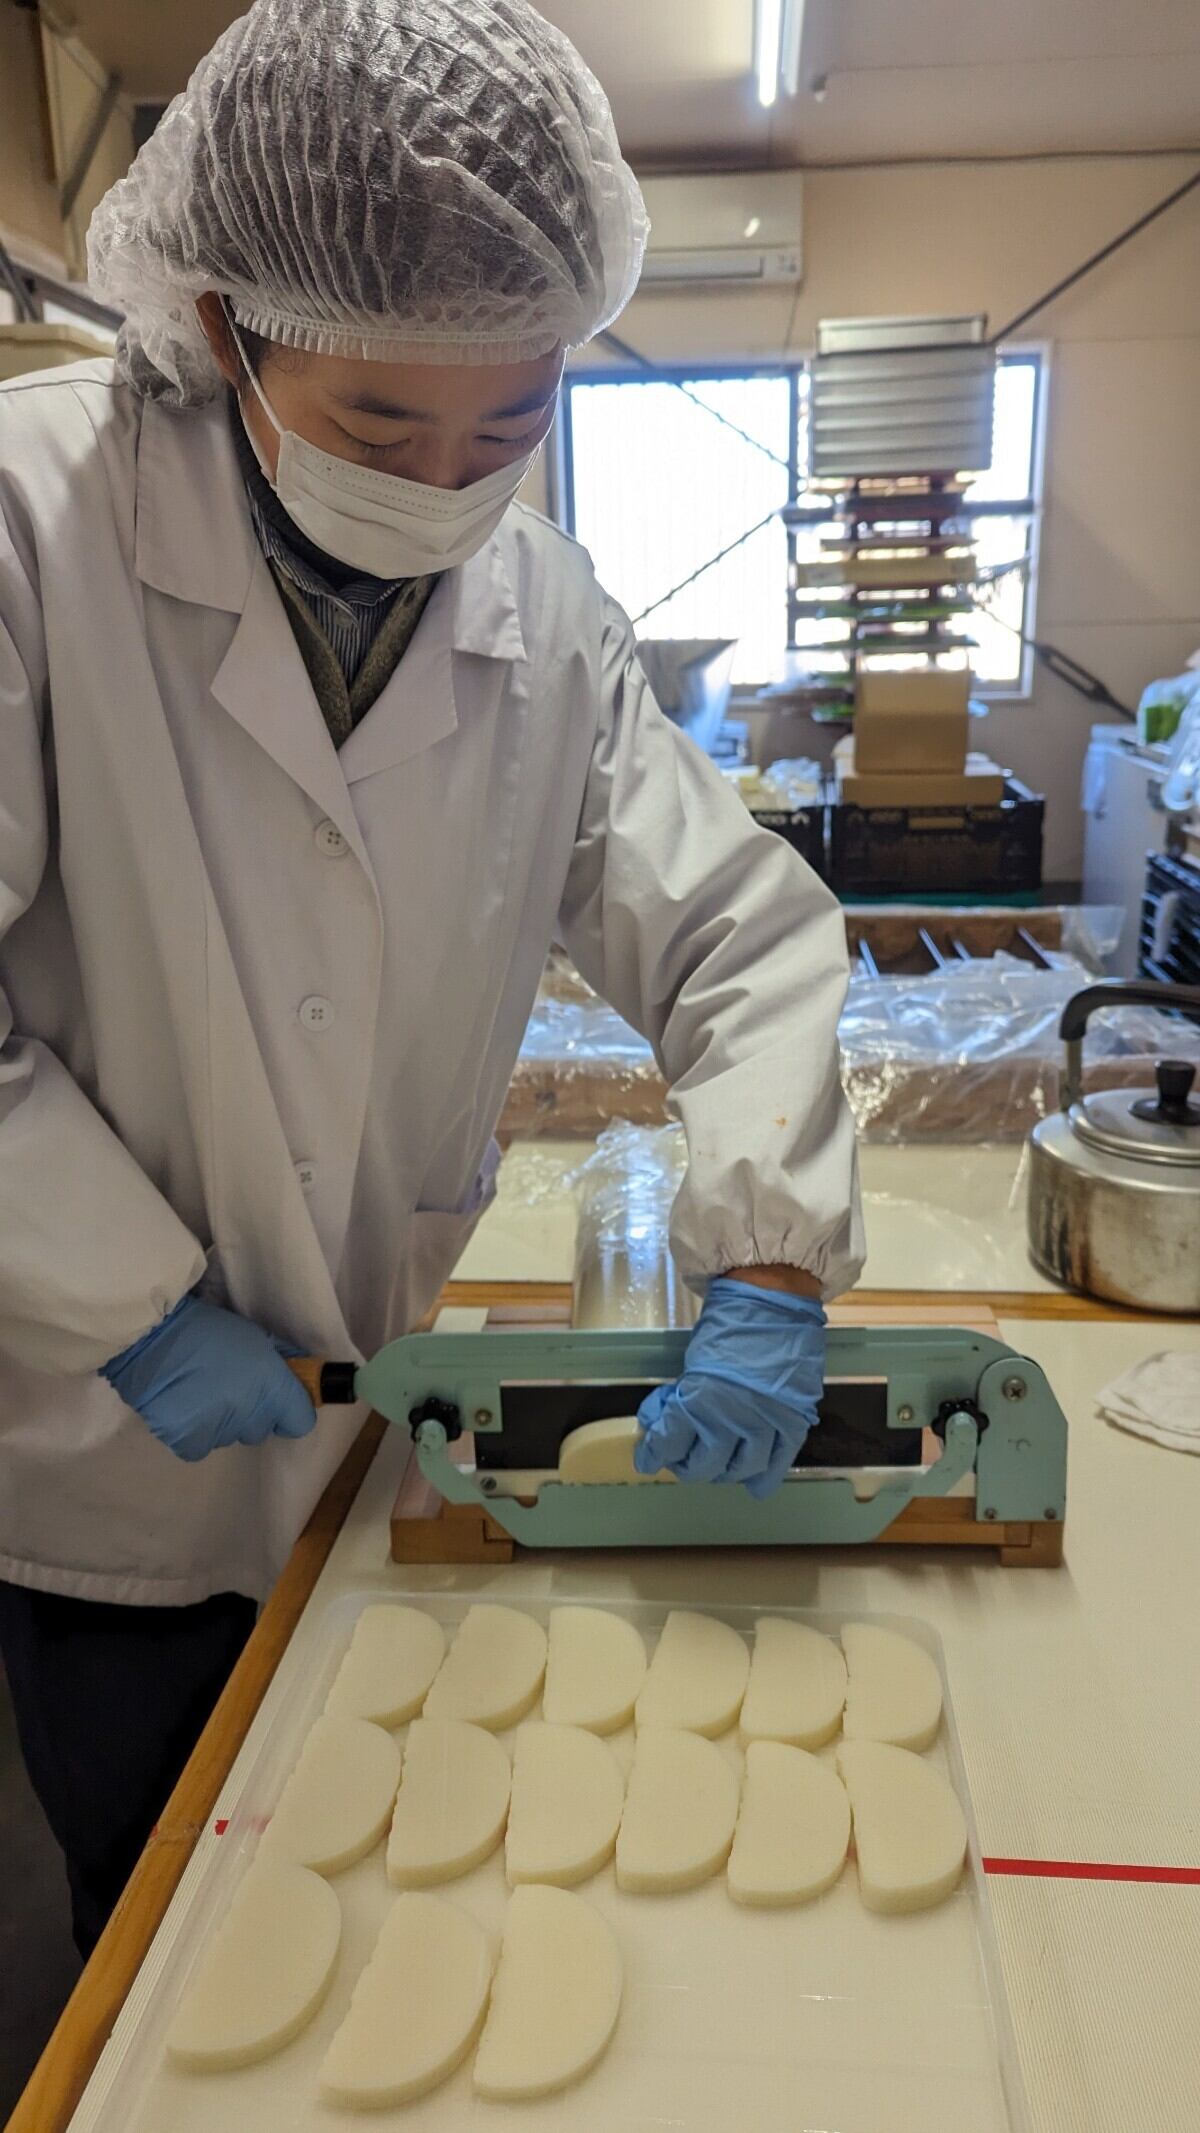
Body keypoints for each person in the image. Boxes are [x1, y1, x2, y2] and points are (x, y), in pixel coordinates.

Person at [0, 0, 862, 1959]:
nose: (446, 484)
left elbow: (735, 926)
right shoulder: (34, 525)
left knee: (396, 1901)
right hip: (104, 1455)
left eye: (511, 423)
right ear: (223, 324)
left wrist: (768, 1253)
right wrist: (123, 1301)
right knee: (171, 1931)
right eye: (383, 426)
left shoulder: (546, 613)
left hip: (384, 1418)